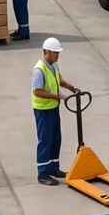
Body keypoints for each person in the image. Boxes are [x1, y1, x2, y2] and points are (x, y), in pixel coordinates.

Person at [32, 36, 78, 185]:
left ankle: (53, 168)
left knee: (55, 138)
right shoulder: (39, 69)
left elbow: (59, 79)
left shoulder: (53, 66)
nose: (58, 55)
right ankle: (43, 173)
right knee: (45, 140)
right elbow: (37, 91)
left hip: (53, 108)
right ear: (47, 52)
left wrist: (71, 87)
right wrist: (56, 96)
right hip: (43, 110)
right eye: (55, 53)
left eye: (58, 52)